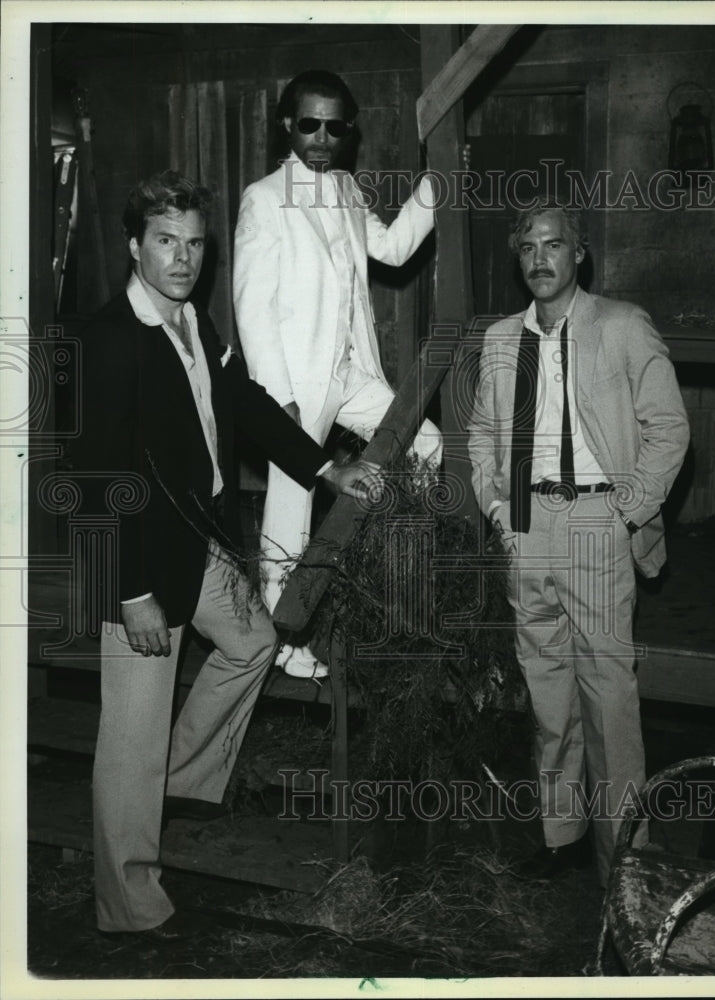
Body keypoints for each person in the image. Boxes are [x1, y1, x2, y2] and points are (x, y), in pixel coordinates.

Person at [74, 170, 382, 939]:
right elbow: (90, 482)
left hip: (199, 542)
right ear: (133, 247)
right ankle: (130, 909)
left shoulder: (193, 324)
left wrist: (325, 465)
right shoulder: (110, 339)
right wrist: (129, 592)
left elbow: (241, 402)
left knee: (254, 640)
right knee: (127, 743)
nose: (182, 258)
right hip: (142, 560)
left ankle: (169, 782)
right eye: (165, 242)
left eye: (194, 244)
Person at [467, 204, 690, 886]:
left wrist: (625, 513)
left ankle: (624, 858)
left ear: (578, 256)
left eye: (553, 245)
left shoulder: (621, 326)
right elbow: (481, 434)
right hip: (528, 523)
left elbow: (669, 429)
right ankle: (560, 836)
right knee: (545, 692)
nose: (540, 258)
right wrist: (500, 509)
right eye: (528, 247)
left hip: (598, 519)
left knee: (607, 700)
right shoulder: (502, 339)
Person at [233, 69, 442, 679]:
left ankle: (392, 569)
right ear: (286, 125)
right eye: (308, 124)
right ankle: (284, 640)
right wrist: (278, 400)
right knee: (289, 507)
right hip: (295, 384)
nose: (321, 137)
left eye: (334, 126)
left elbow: (396, 249)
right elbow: (252, 307)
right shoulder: (264, 198)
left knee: (424, 442)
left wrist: (439, 178)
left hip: (349, 372)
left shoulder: (348, 190)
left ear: (348, 132)